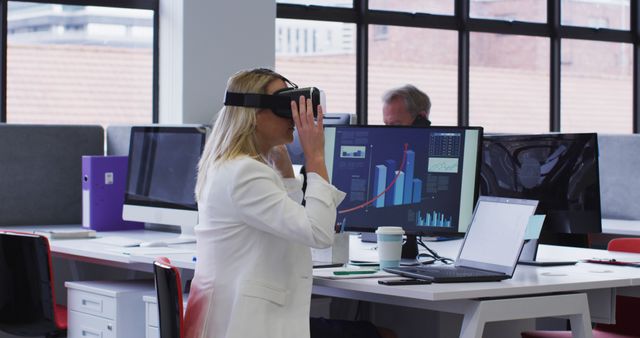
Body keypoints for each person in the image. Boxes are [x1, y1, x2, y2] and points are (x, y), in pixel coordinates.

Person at [183, 68, 393, 338]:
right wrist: (315, 156)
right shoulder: (246, 173)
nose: (294, 116)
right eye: (284, 105)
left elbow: (292, 226)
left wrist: (286, 175)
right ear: (255, 114)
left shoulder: (228, 166)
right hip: (251, 324)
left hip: (237, 316)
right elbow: (318, 233)